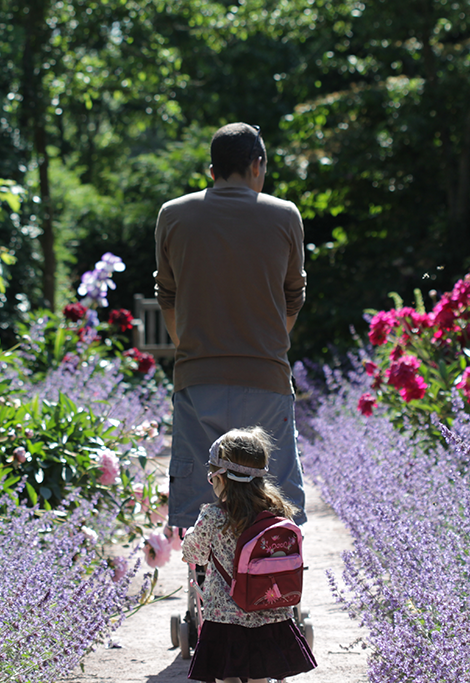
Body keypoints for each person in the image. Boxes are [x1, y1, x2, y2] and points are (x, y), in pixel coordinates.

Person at [155, 122, 308, 529]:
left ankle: (204, 587)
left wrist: (189, 347)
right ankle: (273, 586)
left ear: (212, 171)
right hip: (266, 379)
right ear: (257, 166)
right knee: (275, 505)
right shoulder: (284, 216)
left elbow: (166, 296)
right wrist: (267, 343)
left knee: (202, 509)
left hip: (197, 378)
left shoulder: (173, 215)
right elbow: (294, 297)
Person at [181, 428, 317, 683]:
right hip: (271, 612)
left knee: (227, 677)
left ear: (221, 479)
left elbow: (195, 554)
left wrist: (190, 536)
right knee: (260, 677)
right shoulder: (279, 513)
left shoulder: (213, 516)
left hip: (225, 616)